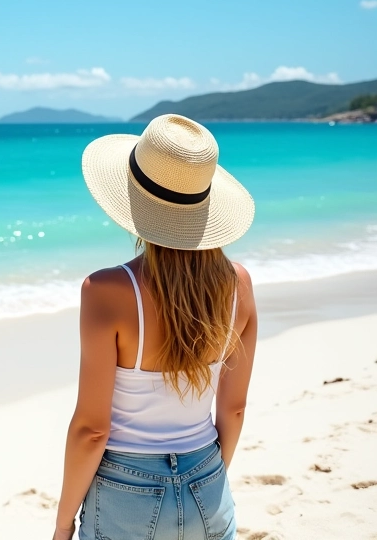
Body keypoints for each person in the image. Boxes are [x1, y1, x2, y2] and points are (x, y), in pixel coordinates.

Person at [53, 114, 257, 540]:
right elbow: (233, 410)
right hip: (207, 476)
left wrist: (63, 522)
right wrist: (206, 480)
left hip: (127, 491)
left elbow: (93, 429)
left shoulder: (106, 290)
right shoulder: (237, 285)